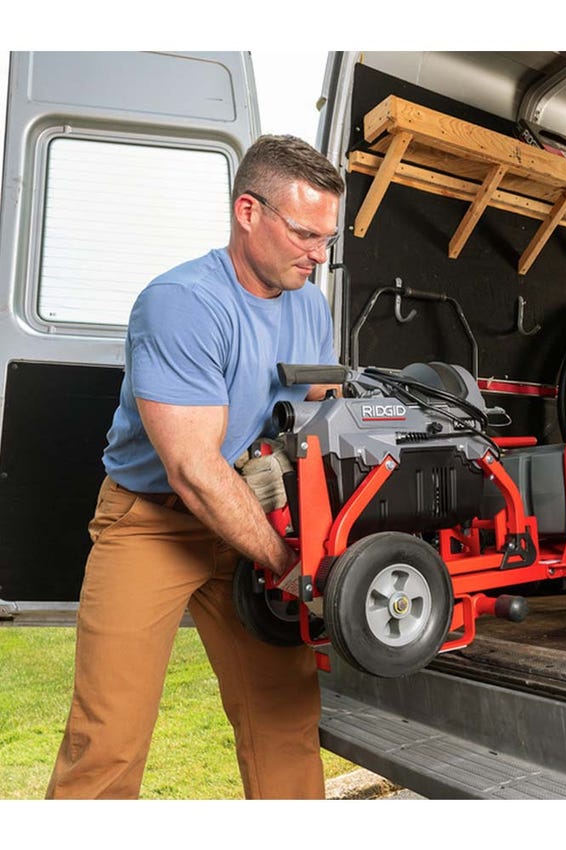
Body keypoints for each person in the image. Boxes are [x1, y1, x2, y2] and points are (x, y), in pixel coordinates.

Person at [46, 135, 346, 800]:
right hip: (154, 524)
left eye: (327, 238)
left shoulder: (309, 302)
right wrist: (291, 565)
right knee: (108, 740)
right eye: (304, 234)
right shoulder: (182, 302)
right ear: (248, 211)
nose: (317, 255)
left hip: (251, 522)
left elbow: (322, 411)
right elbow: (192, 470)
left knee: (285, 724)